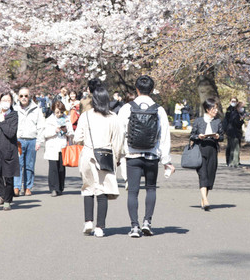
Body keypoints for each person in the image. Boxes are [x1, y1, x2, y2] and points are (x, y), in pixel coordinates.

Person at [118, 74, 174, 238]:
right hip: (152, 155)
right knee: (151, 188)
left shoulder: (126, 108)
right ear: (152, 89)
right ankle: (147, 222)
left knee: (132, 192)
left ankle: (134, 226)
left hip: (132, 155)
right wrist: (166, 160)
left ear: (136, 89)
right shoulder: (159, 110)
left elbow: (119, 133)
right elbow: (164, 136)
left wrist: (119, 155)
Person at [74, 84, 124, 238]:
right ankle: (100, 227)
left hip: (88, 155)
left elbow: (77, 138)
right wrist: (116, 158)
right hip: (106, 156)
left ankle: (88, 221)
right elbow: (118, 141)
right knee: (102, 190)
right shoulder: (113, 118)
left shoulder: (86, 116)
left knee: (88, 188)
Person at [189, 98, 224, 210]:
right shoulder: (198, 121)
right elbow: (192, 135)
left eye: (216, 108)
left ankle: (203, 200)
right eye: (214, 108)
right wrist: (198, 136)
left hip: (212, 150)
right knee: (203, 174)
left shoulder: (217, 121)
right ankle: (205, 199)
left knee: (210, 175)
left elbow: (222, 137)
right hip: (200, 150)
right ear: (208, 109)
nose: (216, 110)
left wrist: (218, 136)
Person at [14, 87, 45, 197]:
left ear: (29, 97)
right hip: (18, 140)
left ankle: (28, 187)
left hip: (32, 140)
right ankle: (16, 186)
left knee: (29, 165)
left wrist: (39, 141)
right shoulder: (15, 109)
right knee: (18, 164)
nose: (24, 98)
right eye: (21, 96)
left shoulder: (36, 109)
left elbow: (41, 126)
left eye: (26, 96)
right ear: (18, 97)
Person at [42, 100, 73, 196]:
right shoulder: (49, 120)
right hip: (52, 146)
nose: (59, 114)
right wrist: (54, 131)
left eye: (61, 112)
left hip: (63, 146)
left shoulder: (66, 119)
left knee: (61, 169)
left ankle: (60, 188)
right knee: (53, 169)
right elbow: (45, 134)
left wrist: (66, 131)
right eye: (57, 112)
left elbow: (71, 133)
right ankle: (53, 188)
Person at [224, 98, 244, 167]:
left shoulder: (236, 113)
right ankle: (234, 162)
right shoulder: (233, 112)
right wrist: (242, 120)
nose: (242, 109)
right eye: (241, 107)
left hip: (233, 132)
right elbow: (236, 123)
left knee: (233, 147)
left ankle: (232, 161)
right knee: (235, 147)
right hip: (233, 132)